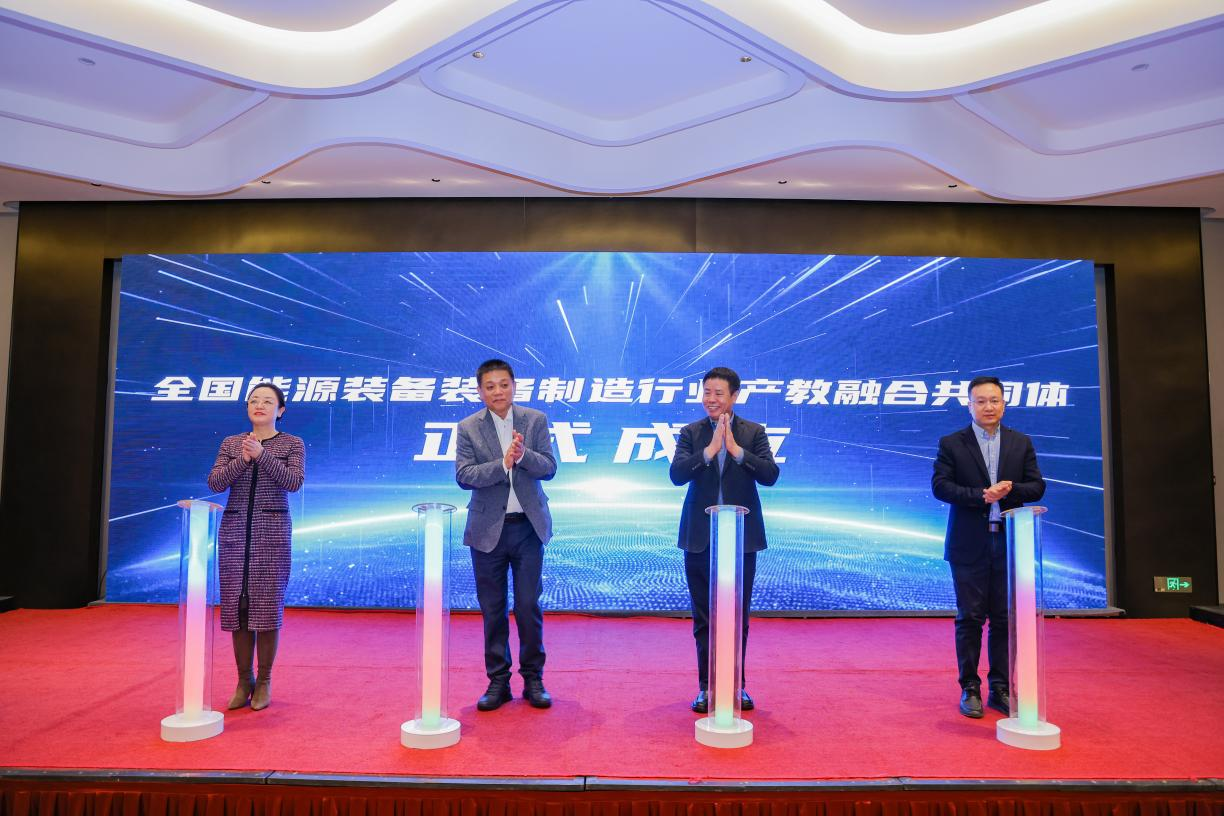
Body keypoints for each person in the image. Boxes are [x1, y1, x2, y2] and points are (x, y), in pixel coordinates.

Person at [932, 375, 1045, 719]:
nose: (988, 407)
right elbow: (941, 487)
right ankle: (969, 687)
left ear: (1004, 404)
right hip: (969, 543)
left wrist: (1009, 491)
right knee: (970, 617)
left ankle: (1000, 687)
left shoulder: (1020, 442)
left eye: (994, 400)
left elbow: (1037, 486)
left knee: (1004, 619)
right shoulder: (952, 443)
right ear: (969, 405)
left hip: (1010, 542)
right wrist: (982, 495)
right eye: (980, 401)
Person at [670, 366, 779, 713]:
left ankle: (736, 685)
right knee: (704, 617)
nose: (711, 399)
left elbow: (770, 475)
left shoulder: (753, 432)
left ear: (734, 396)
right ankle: (706, 687)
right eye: (706, 392)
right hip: (700, 539)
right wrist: (709, 451)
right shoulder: (691, 433)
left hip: (740, 540)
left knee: (737, 616)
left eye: (718, 393)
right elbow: (676, 475)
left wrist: (735, 450)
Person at [455, 359, 557, 711]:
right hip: (487, 531)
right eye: (490, 386)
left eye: (503, 384)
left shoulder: (535, 420)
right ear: (480, 391)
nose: (498, 391)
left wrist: (524, 455)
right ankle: (498, 681)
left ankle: (533, 678)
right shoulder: (468, 427)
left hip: (528, 528)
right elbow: (464, 475)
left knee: (528, 605)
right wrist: (502, 464)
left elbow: (550, 468)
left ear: (514, 386)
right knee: (492, 608)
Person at [207, 382, 305, 711]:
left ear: (281, 410)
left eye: (267, 401)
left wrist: (262, 456)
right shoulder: (231, 443)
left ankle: (264, 680)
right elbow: (215, 482)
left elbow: (293, 482)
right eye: (253, 401)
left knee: (266, 606)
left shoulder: (292, 443)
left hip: (272, 533)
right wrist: (243, 459)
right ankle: (243, 679)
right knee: (237, 607)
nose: (259, 405)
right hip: (234, 532)